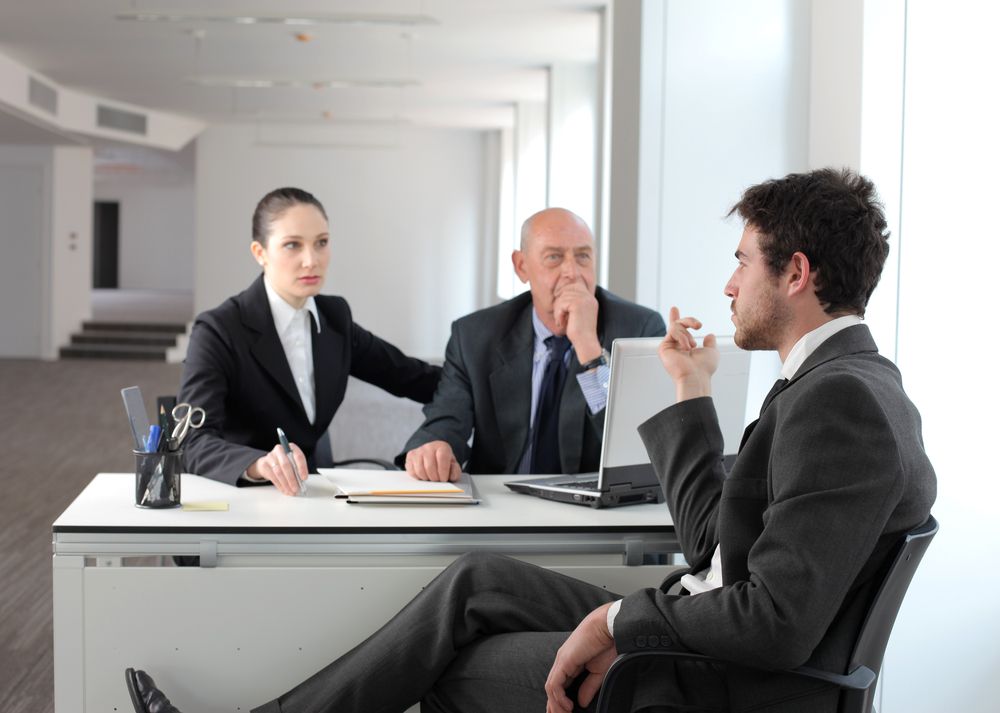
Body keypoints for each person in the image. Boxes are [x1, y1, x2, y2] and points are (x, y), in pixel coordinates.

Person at [126, 168, 936, 713]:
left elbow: (777, 624)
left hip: (718, 678)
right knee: (475, 580)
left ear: (794, 273)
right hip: (701, 624)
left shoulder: (842, 406)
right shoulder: (830, 384)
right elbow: (708, 543)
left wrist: (619, 622)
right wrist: (690, 394)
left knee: (447, 672)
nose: (728, 283)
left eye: (741, 262)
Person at [177, 187, 441, 494]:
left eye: (321, 243)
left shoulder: (335, 317)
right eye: (292, 245)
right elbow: (192, 441)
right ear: (260, 253)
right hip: (244, 496)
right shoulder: (219, 330)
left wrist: (485, 378)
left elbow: (410, 376)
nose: (311, 260)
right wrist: (259, 464)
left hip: (314, 491)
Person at [401, 207, 666, 481]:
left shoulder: (639, 329)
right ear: (521, 266)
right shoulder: (475, 336)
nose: (572, 273)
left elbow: (638, 446)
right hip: (500, 504)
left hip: (593, 512)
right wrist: (435, 447)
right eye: (554, 257)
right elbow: (446, 420)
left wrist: (590, 351)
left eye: (583, 256)